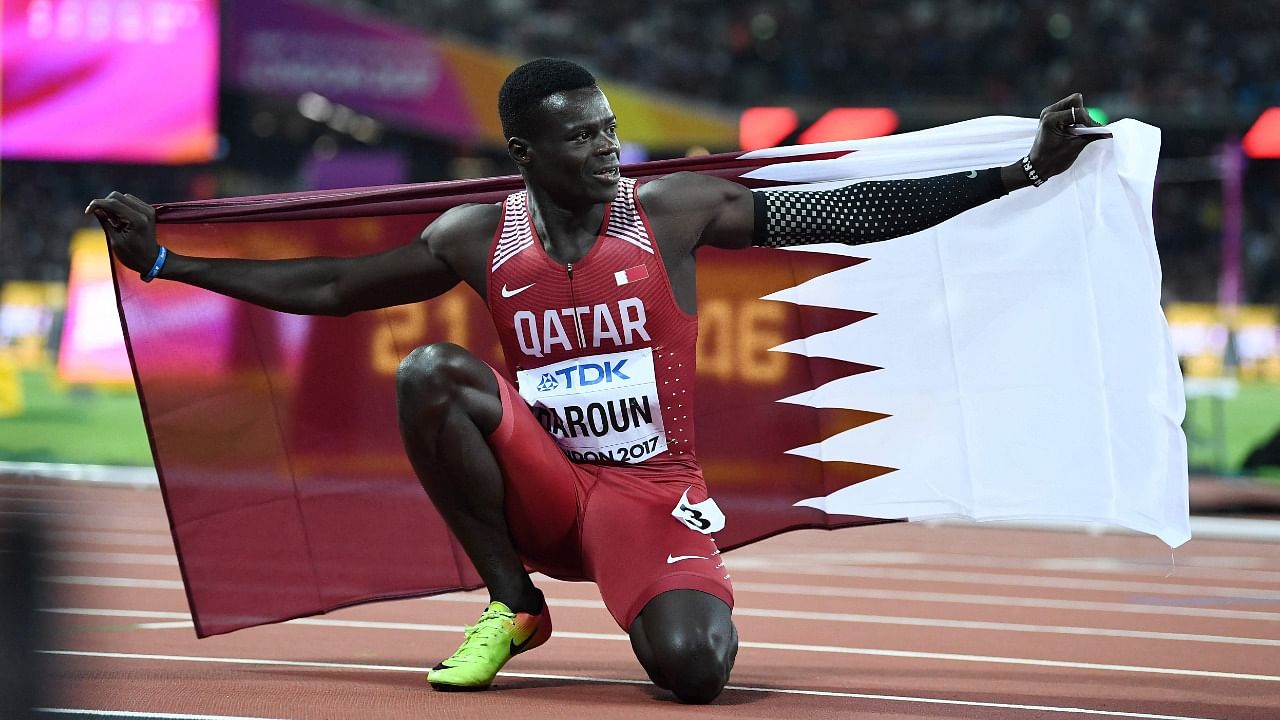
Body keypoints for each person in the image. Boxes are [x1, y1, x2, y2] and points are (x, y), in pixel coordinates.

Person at [87, 58, 1106, 704]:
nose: (608, 146)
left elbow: (849, 211)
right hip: (540, 485)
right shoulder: (475, 235)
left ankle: (644, 594)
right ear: (527, 153)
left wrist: (1015, 172)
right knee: (432, 372)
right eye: (582, 136)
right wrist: (168, 264)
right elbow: (337, 284)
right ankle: (509, 603)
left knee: (695, 672)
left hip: (650, 499)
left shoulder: (672, 214)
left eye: (610, 127)